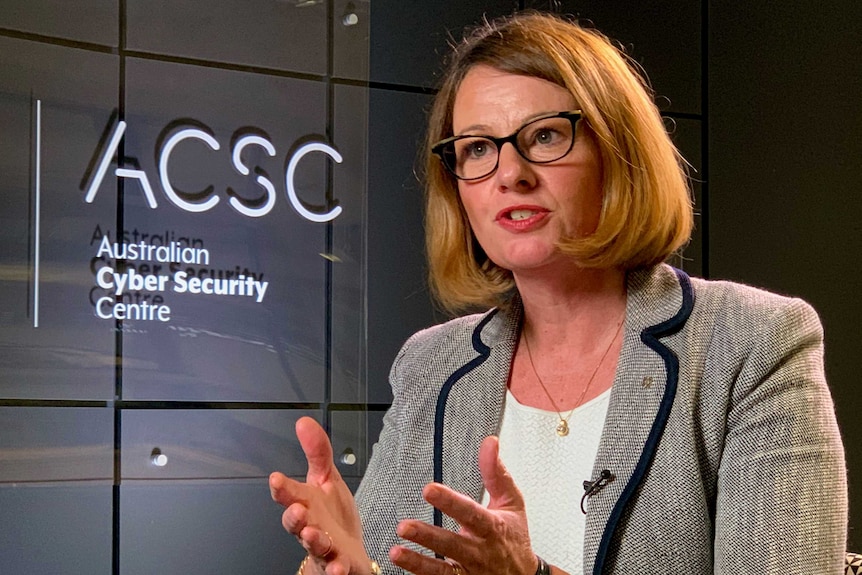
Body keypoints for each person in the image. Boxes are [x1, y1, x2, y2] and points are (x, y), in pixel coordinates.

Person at [269, 11, 847, 575]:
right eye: (476, 148)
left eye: (544, 136)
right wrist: (356, 568)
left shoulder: (753, 343)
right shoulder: (429, 365)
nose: (509, 173)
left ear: (618, 155)